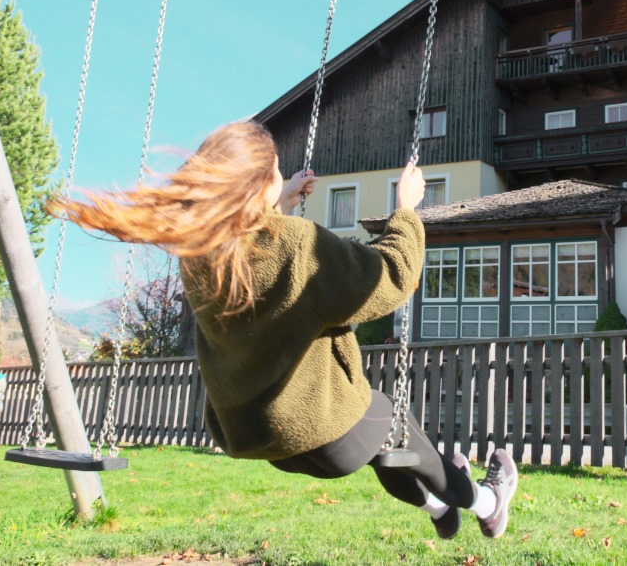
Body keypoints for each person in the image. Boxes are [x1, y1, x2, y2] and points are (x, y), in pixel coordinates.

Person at [49, 119, 517, 540]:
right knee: (399, 432)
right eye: (275, 171)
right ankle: (488, 503)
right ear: (256, 186)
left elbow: (257, 252)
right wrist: (407, 210)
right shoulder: (297, 244)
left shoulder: (199, 254)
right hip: (329, 433)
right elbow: (392, 277)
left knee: (386, 445)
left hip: (261, 438)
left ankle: (437, 506)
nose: (281, 176)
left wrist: (283, 198)